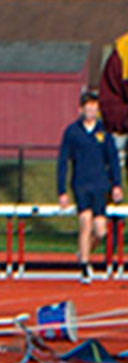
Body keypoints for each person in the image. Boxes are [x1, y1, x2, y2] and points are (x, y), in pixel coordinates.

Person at [57, 88, 121, 276]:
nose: (91, 112)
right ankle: (84, 267)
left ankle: (83, 253)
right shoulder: (72, 132)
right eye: (88, 108)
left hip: (100, 185)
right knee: (85, 222)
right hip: (81, 184)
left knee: (100, 231)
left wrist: (117, 185)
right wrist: (62, 191)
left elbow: (113, 160)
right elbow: (63, 162)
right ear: (81, 110)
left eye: (94, 108)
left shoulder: (104, 132)